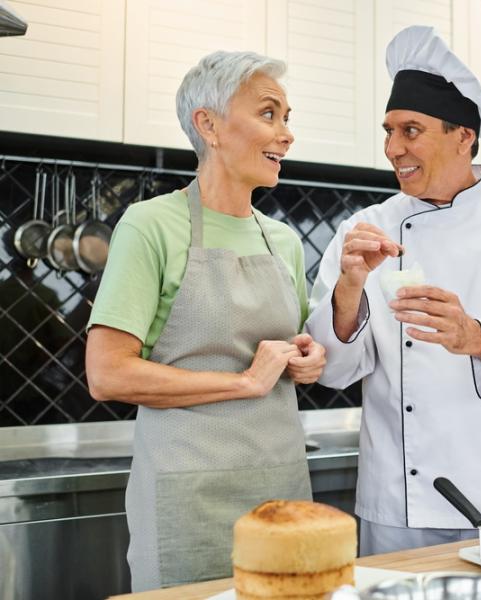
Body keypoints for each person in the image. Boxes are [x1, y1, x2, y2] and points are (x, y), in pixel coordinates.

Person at [305, 26, 481, 555]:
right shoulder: (366, 228)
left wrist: (477, 336)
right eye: (388, 131)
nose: (393, 149)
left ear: (464, 135)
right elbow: (331, 371)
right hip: (401, 500)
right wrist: (349, 290)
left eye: (410, 130)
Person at [85, 51, 326, 590]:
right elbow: (108, 374)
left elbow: (296, 348)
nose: (286, 134)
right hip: (185, 493)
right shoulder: (151, 226)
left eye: (288, 117)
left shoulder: (283, 240)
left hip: (281, 488)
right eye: (269, 114)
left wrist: (307, 359)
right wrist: (243, 382)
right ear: (208, 124)